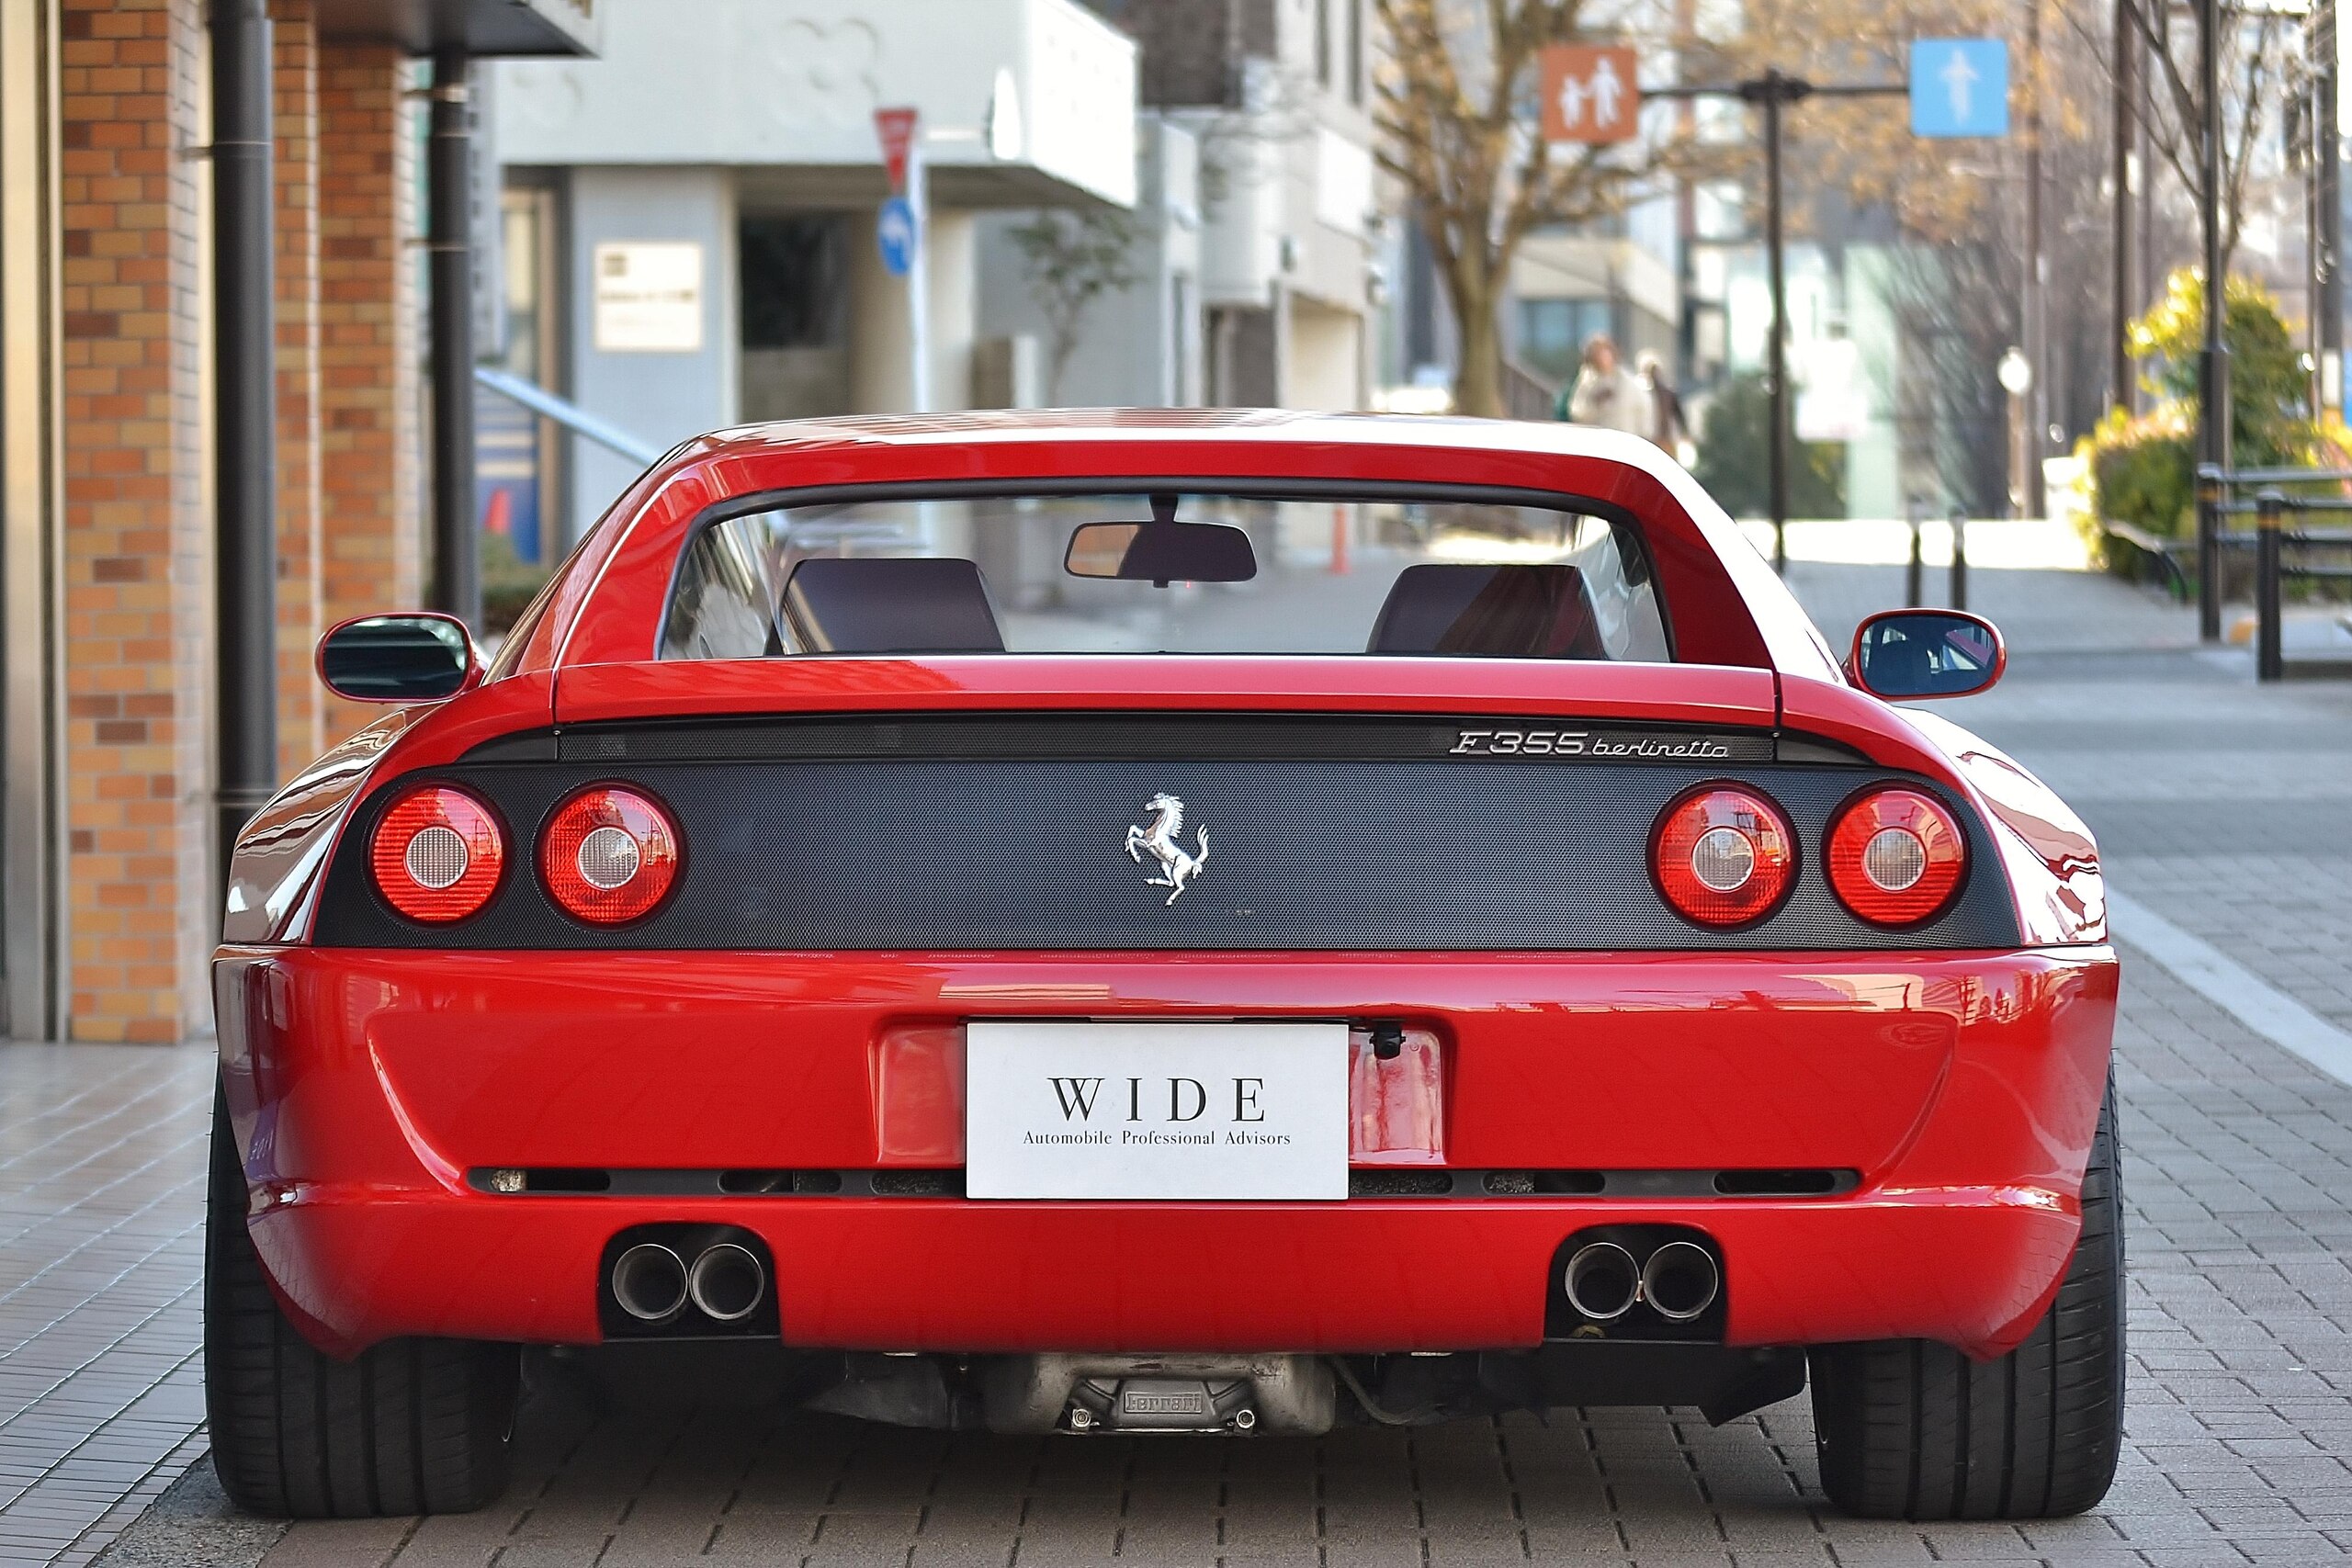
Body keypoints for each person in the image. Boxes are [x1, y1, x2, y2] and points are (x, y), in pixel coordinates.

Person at [1558, 333, 1648, 437]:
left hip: (1626, 436)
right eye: (1598, 353)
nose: (1604, 358)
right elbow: (1577, 413)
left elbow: (1642, 409)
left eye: (1606, 352)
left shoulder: (1627, 381)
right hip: (1599, 438)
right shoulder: (1587, 381)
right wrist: (1595, 402)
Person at [1637, 351, 1693, 463]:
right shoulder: (1642, 394)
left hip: (1666, 438)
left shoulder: (1668, 393)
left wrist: (1685, 434)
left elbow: (1679, 415)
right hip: (1648, 438)